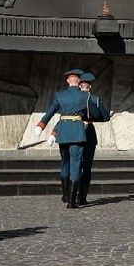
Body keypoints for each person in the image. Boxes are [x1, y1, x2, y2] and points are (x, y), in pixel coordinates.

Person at [32, 68, 94, 209]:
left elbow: (51, 111)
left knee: (65, 163)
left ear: (67, 81)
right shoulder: (86, 96)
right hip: (78, 132)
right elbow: (94, 113)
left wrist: (41, 125)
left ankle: (66, 195)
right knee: (76, 164)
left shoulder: (60, 95)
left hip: (64, 131)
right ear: (78, 81)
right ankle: (72, 201)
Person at [75, 72, 111, 206]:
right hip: (81, 132)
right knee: (81, 166)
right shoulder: (84, 99)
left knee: (82, 166)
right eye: (83, 86)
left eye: (85, 86)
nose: (85, 88)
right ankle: (77, 196)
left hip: (83, 133)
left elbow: (106, 117)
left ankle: (79, 196)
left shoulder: (93, 99)